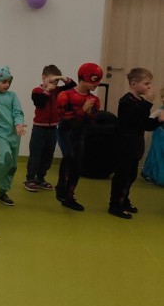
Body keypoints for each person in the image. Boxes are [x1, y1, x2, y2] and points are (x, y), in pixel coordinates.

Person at [108, 69, 164, 219]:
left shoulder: (140, 102)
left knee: (131, 174)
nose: (149, 87)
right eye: (146, 83)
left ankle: (124, 199)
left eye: (150, 83)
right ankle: (115, 204)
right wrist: (149, 103)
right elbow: (131, 120)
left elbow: (144, 124)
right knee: (122, 175)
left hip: (136, 143)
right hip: (125, 143)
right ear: (134, 84)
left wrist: (158, 121)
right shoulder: (126, 101)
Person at [55, 62, 103, 211]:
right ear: (84, 77)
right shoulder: (65, 95)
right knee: (69, 156)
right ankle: (61, 187)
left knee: (77, 164)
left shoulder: (94, 100)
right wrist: (83, 110)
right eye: (94, 79)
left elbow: (92, 121)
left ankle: (69, 196)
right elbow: (64, 118)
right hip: (66, 131)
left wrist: (88, 113)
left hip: (80, 133)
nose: (97, 84)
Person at [24, 65, 76, 192]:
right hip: (39, 129)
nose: (54, 83)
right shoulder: (37, 91)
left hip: (53, 129)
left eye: (56, 81)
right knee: (36, 154)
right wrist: (47, 89)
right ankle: (30, 179)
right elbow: (40, 103)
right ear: (43, 77)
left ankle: (40, 178)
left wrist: (62, 78)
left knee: (48, 155)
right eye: (51, 79)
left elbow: (72, 86)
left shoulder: (57, 91)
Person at [0, 66, 26, 207]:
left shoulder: (12, 96)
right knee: (5, 159)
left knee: (12, 165)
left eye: (9, 81)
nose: (7, 84)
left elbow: (17, 112)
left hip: (15, 134)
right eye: (3, 82)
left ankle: (3, 192)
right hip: (0, 134)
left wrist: (19, 124)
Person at [141, 85, 164, 186]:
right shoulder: (161, 110)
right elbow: (150, 118)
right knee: (157, 154)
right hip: (160, 136)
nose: (163, 99)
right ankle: (152, 174)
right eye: (162, 97)